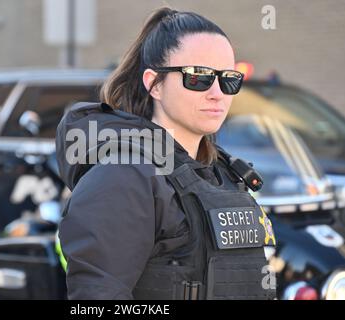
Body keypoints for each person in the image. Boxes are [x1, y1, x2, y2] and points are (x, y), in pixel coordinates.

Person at [55, 7, 276, 300]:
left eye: (228, 79)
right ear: (154, 83)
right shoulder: (123, 177)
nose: (217, 93)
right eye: (198, 76)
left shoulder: (221, 173)